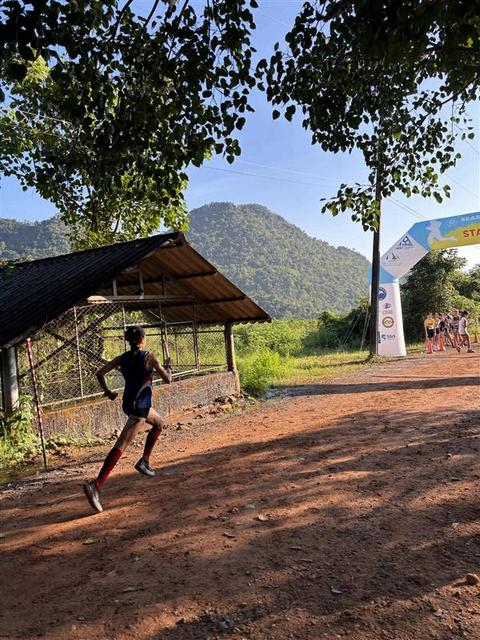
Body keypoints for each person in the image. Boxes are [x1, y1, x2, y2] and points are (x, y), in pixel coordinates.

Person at [83, 326, 173, 513]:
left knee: (159, 423)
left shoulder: (122, 358)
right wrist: (168, 367)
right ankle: (96, 485)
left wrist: (108, 392)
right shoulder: (150, 357)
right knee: (121, 445)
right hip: (139, 407)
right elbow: (168, 380)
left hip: (129, 404)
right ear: (142, 339)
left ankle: (144, 461)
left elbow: (100, 373)